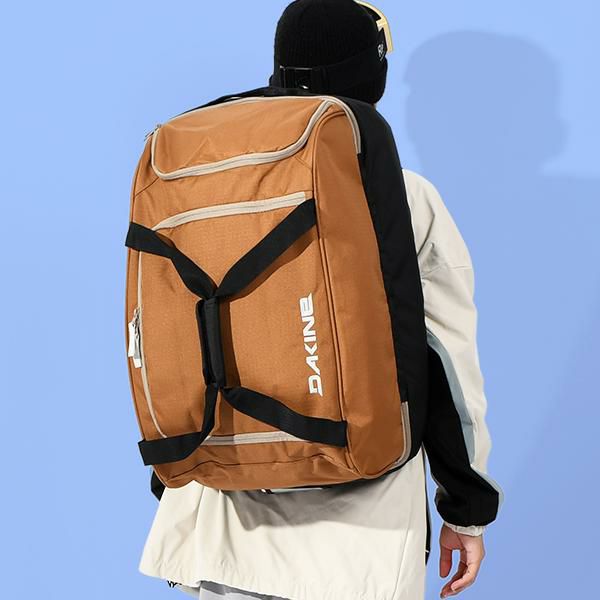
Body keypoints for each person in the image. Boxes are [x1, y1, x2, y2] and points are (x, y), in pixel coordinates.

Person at [138, 1, 504, 598]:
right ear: (371, 73)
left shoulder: (205, 186)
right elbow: (444, 361)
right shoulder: (403, 196)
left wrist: (178, 476)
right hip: (358, 537)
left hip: (218, 522)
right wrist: (467, 509)